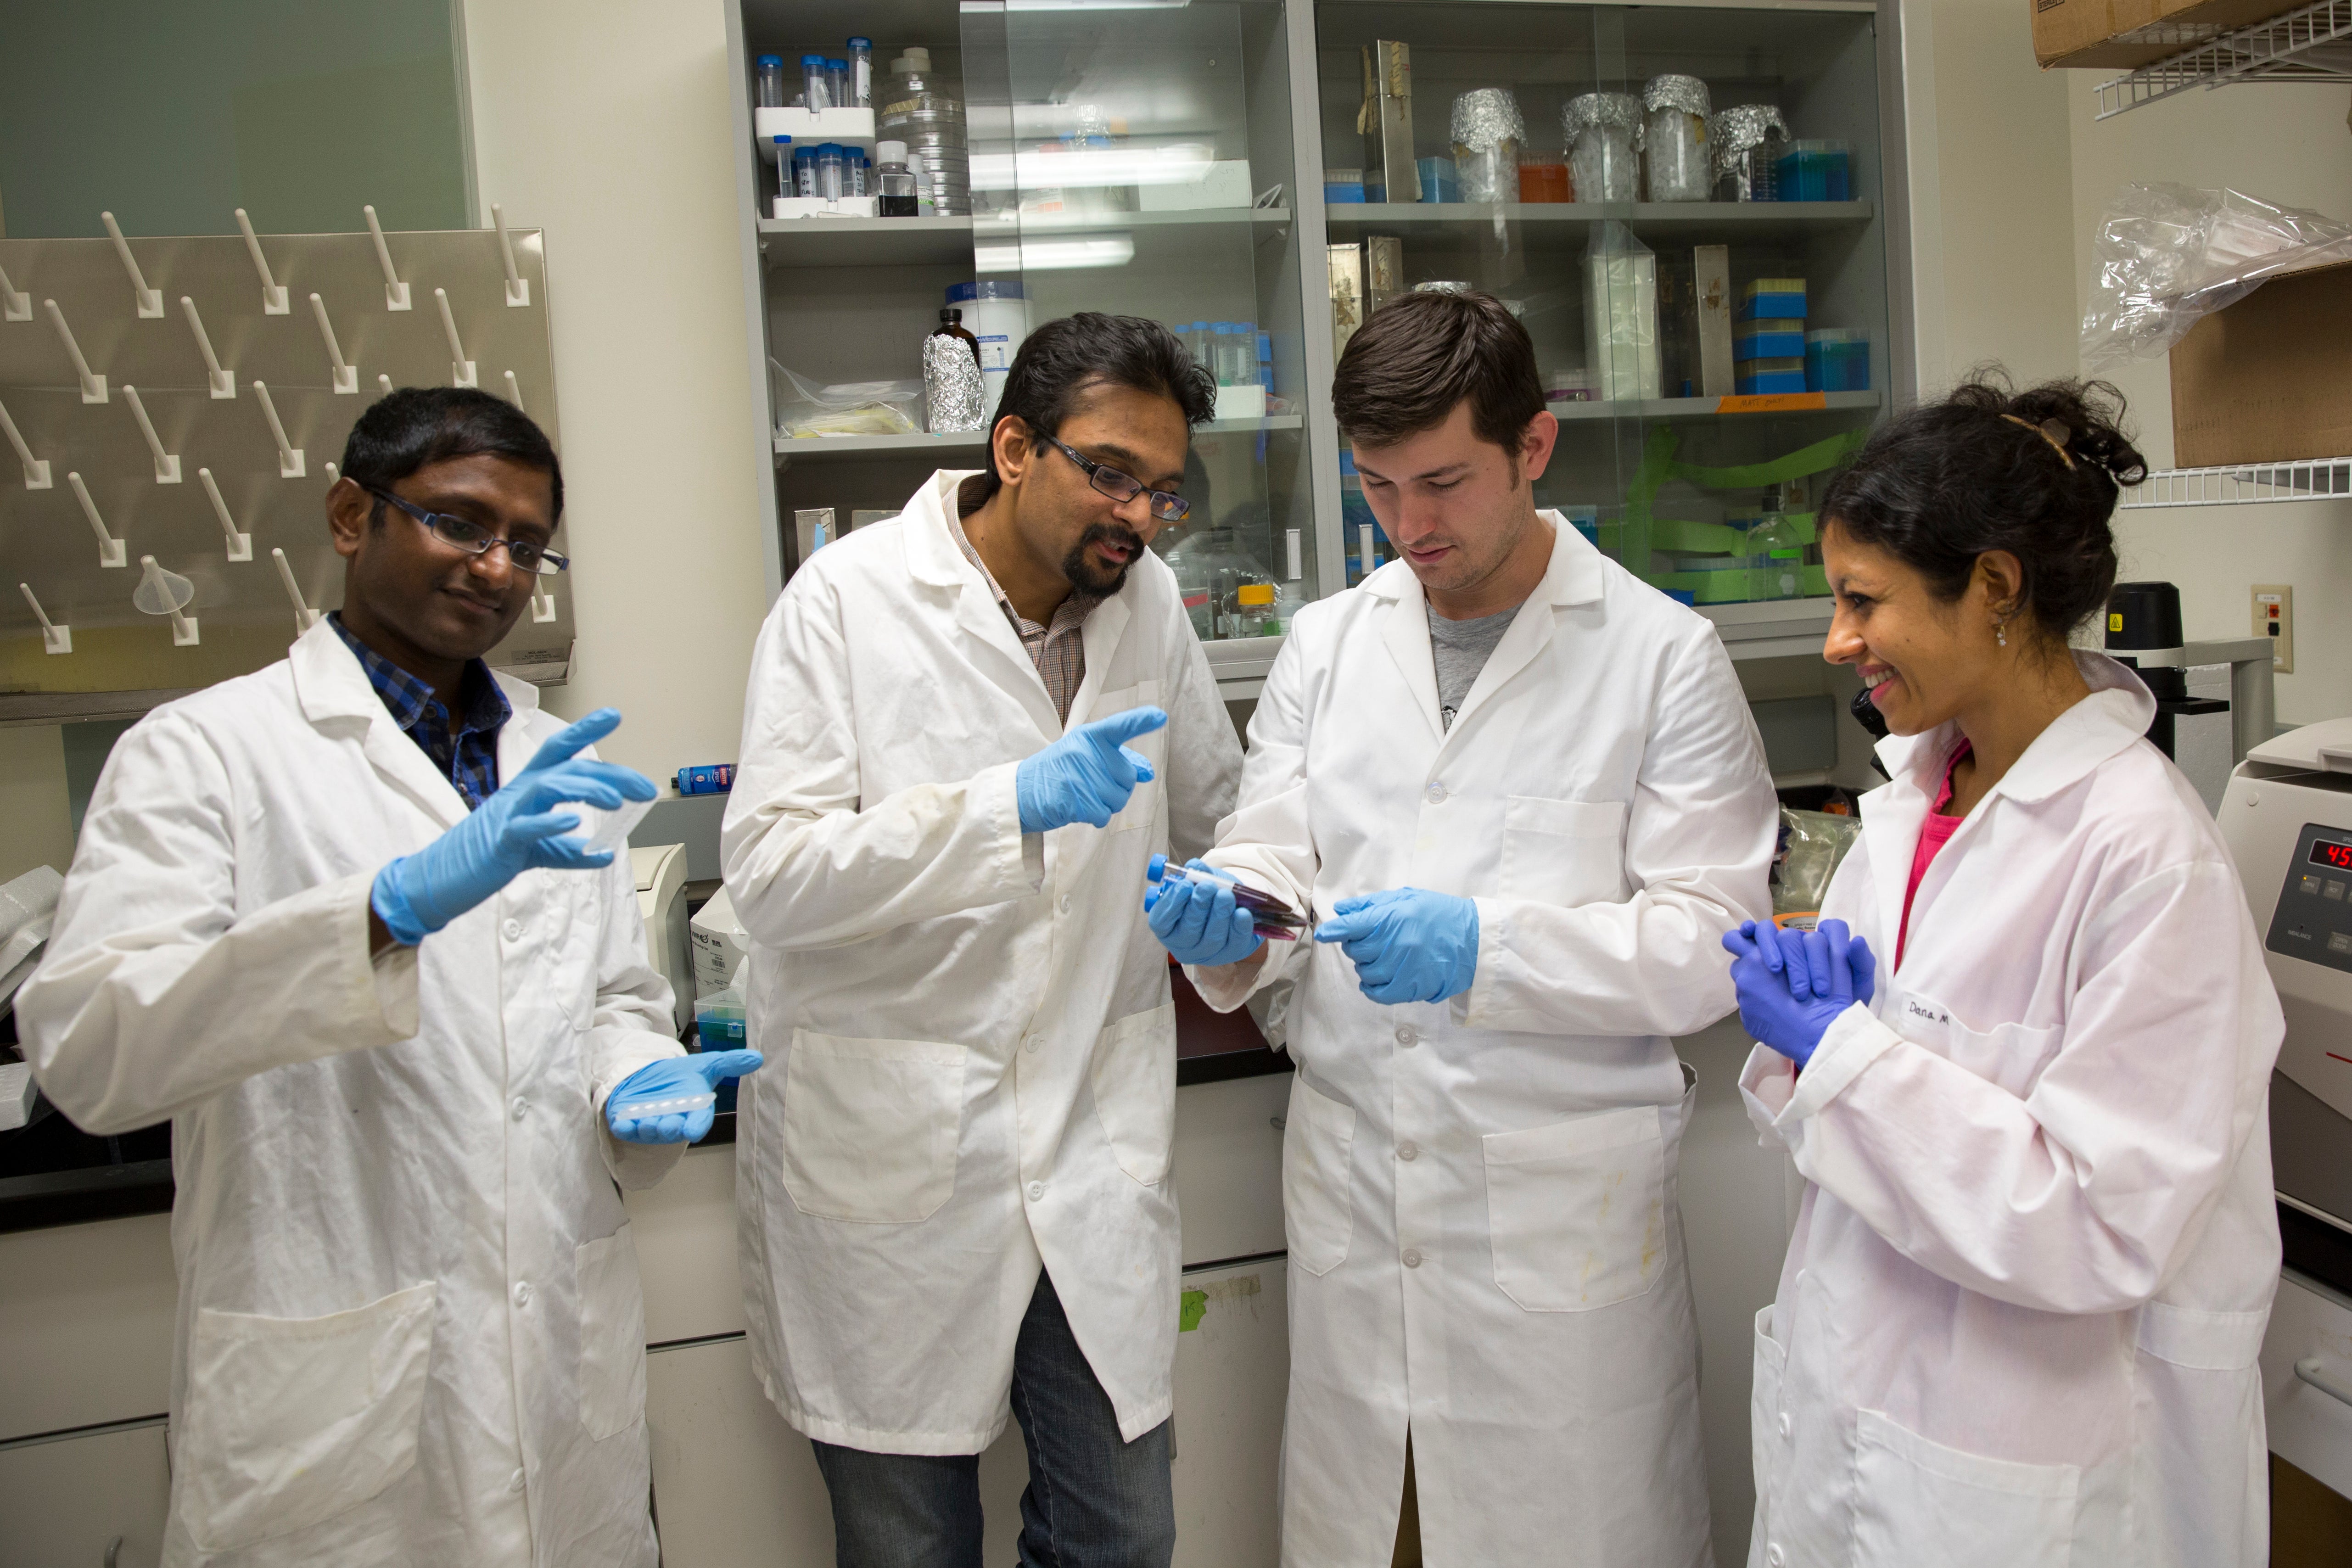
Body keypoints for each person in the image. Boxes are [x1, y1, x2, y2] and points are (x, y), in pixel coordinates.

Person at [17, 388, 756, 1567]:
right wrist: (383, 910)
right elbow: (94, 1059)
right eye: (461, 522)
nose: (497, 566)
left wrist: (637, 1073)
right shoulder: (205, 751)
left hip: (558, 1372)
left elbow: (609, 993)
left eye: (526, 543)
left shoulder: (554, 760)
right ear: (352, 515)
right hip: (329, 1390)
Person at [1147, 289, 1777, 1564]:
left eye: (1442, 483)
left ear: (1533, 448)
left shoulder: (1661, 656)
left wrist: (1488, 948)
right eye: (1377, 487)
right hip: (1359, 1214)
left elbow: (1713, 941)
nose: (1408, 527)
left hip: (1559, 1242)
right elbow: (1274, 853)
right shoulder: (1325, 647)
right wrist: (1233, 924)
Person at [1725, 378, 2283, 1567]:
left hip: (2041, 1468)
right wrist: (1813, 1045)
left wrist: (1845, 1057)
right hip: (1863, 1406)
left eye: (1859, 601)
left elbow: (2094, 1218)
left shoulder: (2144, 856)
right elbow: (1868, 1132)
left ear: (1991, 587)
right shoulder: (1917, 801)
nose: (1836, 642)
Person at [722, 314, 1242, 1567]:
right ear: (1014, 447)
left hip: (1084, 1135)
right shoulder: (844, 603)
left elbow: (1220, 810)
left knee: (1121, 1534)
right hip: (896, 1153)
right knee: (910, 1552)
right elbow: (772, 873)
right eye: (1109, 472)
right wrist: (1000, 807)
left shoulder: (1147, 603)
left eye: (1162, 489)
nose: (1138, 515)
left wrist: (1234, 903)